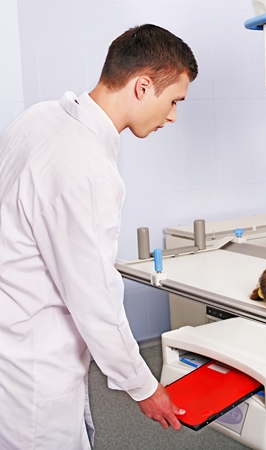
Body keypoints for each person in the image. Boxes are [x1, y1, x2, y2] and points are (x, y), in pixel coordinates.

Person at [0, 24, 198, 449]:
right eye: (174, 101)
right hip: (34, 359)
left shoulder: (41, 117)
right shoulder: (88, 169)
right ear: (143, 86)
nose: (173, 116)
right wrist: (143, 386)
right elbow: (95, 299)